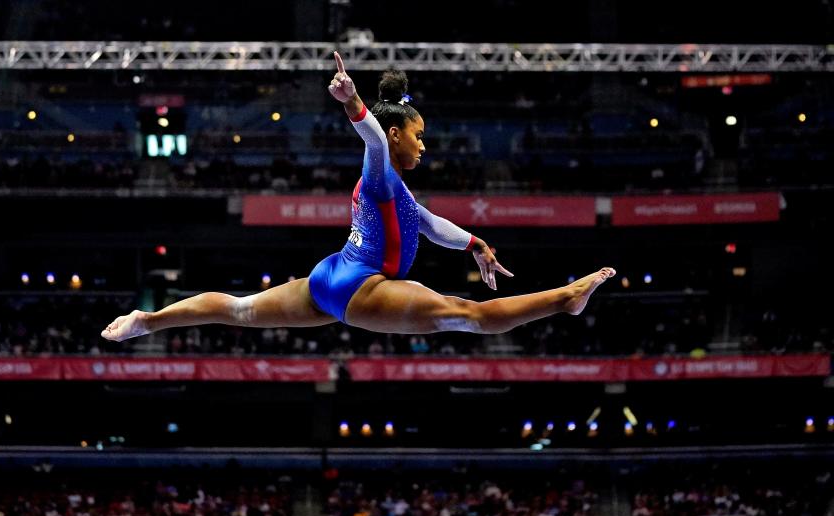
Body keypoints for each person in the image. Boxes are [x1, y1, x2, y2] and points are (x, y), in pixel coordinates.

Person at [102, 52, 614, 343]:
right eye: (418, 135)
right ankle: (565, 300)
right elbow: (371, 138)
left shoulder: (395, 187)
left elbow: (429, 222)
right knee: (467, 314)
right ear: (396, 134)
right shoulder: (379, 165)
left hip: (331, 276)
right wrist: (353, 104)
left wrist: (475, 243)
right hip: (362, 286)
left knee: (238, 310)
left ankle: (149, 320)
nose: (423, 143)